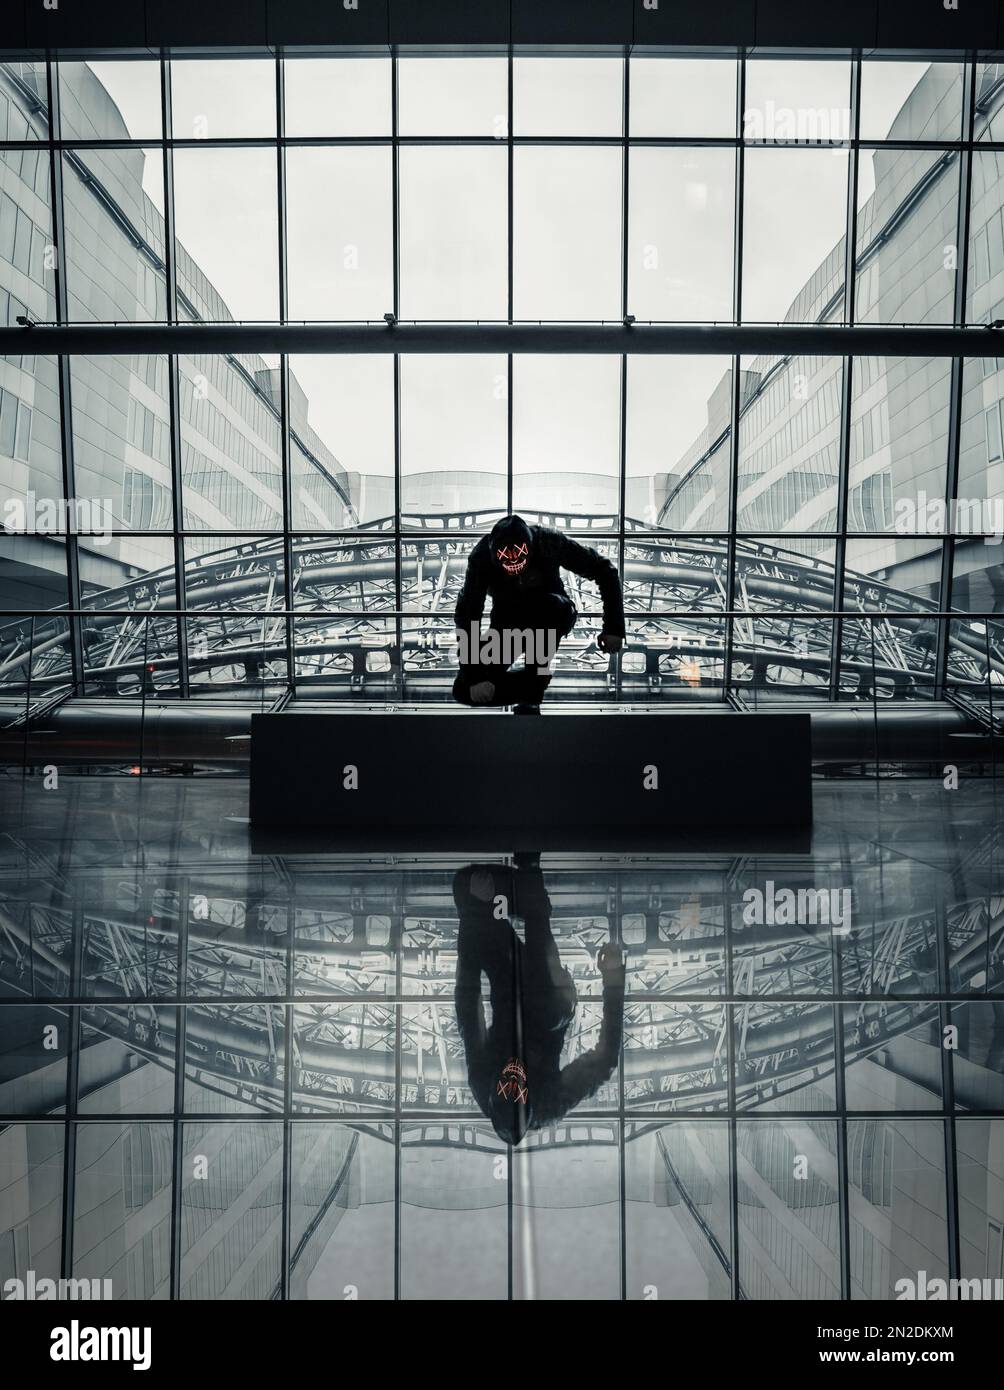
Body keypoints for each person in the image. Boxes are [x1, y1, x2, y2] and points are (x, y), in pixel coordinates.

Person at [452, 855, 626, 1145]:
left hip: (508, 993)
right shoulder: (549, 1105)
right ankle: (529, 880)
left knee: (465, 888)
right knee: (545, 994)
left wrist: (474, 916)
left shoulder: (482, 1084)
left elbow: (468, 1006)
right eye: (518, 1087)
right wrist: (613, 981)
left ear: (494, 1092)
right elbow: (605, 1060)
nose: (513, 1077)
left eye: (504, 1084)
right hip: (549, 1008)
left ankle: (514, 895)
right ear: (529, 1097)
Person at [452, 514, 625, 714]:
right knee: (463, 690)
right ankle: (532, 684)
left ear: (530, 546)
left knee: (547, 609)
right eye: (505, 556)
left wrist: (613, 627)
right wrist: (475, 678)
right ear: (493, 553)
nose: (513, 560)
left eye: (518, 552)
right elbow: (467, 613)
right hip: (512, 625)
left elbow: (468, 612)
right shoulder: (481, 558)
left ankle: (532, 683)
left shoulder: (548, 541)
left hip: (546, 615)